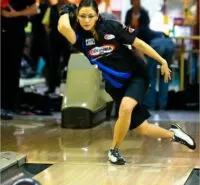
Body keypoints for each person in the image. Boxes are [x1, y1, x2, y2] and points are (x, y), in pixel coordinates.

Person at [57, 0, 196, 165]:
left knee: (125, 107)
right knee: (143, 128)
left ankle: (113, 151)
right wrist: (65, 11)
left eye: (91, 16)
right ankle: (174, 134)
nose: (87, 20)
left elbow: (139, 44)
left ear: (97, 16)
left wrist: (162, 61)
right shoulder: (80, 38)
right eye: (82, 16)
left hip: (136, 75)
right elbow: (63, 27)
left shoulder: (112, 27)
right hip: (115, 85)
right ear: (77, 17)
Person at [1, 0, 38, 120]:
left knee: (11, 70)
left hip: (14, 33)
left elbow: (34, 9)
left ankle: (7, 107)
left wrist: (14, 14)